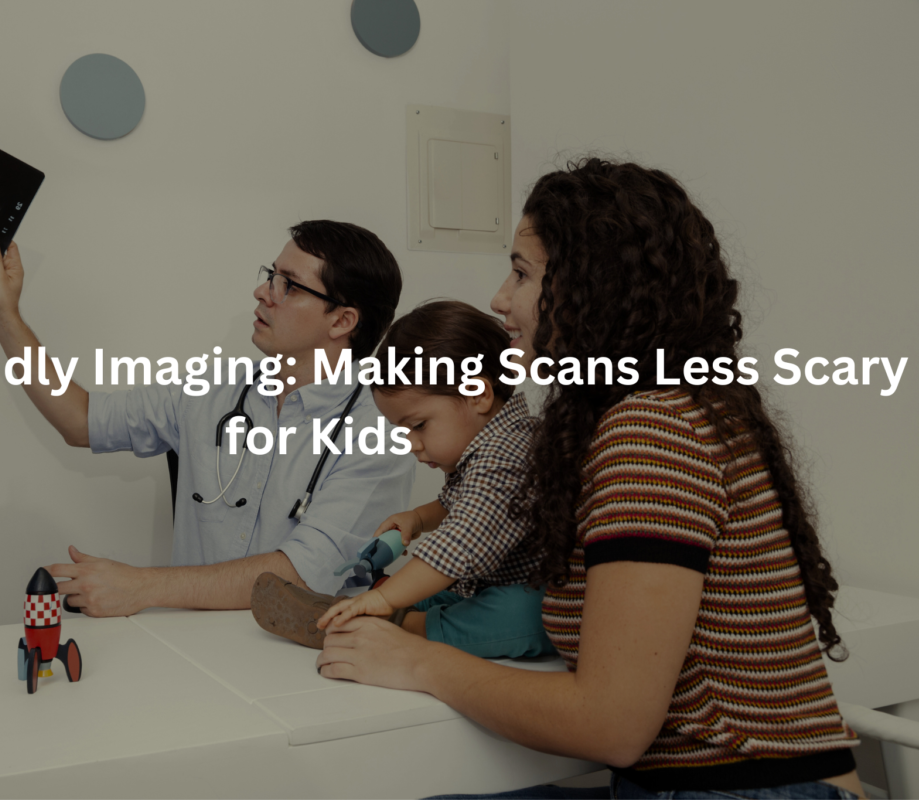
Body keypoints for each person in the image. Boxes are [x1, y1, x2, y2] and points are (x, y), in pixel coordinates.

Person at [316, 160, 864, 799]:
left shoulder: (654, 432)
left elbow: (610, 726)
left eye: (521, 273)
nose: (499, 299)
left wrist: (418, 660)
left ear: (592, 288)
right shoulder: (650, 416)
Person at [0, 220, 415, 615]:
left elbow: (299, 575)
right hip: (189, 651)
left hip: (305, 662)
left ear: (342, 320)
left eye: (290, 285)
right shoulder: (211, 391)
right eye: (271, 276)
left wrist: (141, 586)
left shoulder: (381, 432)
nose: (263, 292)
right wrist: (6, 317)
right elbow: (80, 419)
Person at [251, 300, 554, 661]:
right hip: (488, 582)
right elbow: (460, 504)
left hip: (535, 593)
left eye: (419, 425)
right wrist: (420, 518)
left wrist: (382, 598)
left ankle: (391, 621)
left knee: (520, 614)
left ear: (478, 394)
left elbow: (458, 546)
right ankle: (367, 608)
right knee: (442, 593)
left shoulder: (508, 455)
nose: (410, 443)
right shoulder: (488, 446)